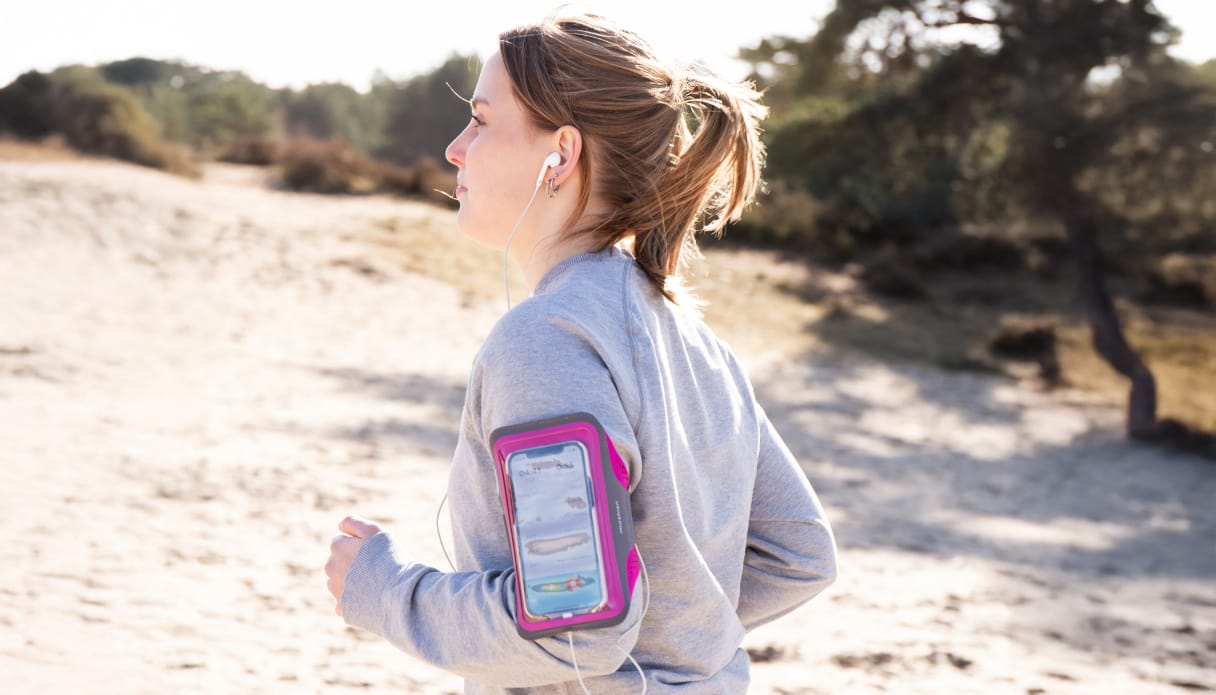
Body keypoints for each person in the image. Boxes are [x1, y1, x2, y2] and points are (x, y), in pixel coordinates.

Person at [324, 12, 837, 694]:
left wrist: (385, 590)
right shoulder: (693, 337)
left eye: (480, 119)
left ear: (560, 155)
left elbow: (574, 631)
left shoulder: (548, 341)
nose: (455, 147)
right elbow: (795, 553)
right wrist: (670, 639)